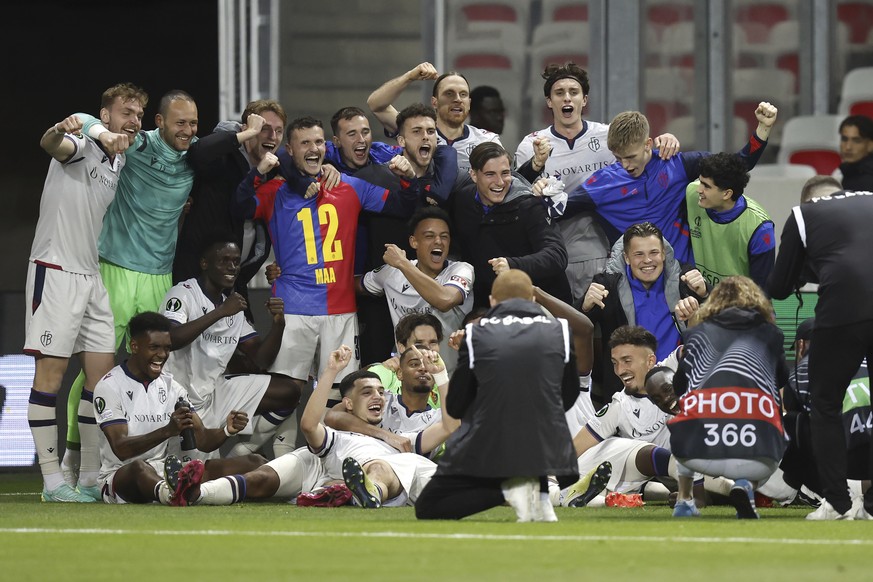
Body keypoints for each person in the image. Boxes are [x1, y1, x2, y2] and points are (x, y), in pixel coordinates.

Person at [63, 90, 205, 482]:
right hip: (114, 268)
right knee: (98, 369)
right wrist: (104, 134)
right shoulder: (136, 145)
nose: (188, 130)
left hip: (160, 276)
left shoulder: (195, 156)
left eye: (193, 123)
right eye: (180, 122)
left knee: (152, 369)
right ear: (159, 122)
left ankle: (153, 459)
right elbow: (82, 116)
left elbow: (226, 138)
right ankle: (74, 461)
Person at [234, 116, 423, 403]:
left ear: (326, 147)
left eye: (318, 142)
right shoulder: (275, 192)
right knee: (286, 394)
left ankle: (325, 449)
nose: (314, 148)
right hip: (293, 309)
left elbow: (401, 207)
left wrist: (409, 180)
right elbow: (239, 207)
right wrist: (258, 173)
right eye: (305, 143)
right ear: (290, 149)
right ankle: (277, 449)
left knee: (339, 396)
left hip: (341, 310)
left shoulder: (350, 186)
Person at [25, 83, 147, 502]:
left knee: (103, 379)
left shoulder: (120, 159)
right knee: (51, 377)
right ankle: (53, 482)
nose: (133, 120)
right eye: (126, 112)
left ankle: (91, 478)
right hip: (55, 270)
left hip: (91, 277)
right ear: (105, 114)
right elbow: (51, 144)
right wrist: (65, 127)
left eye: (138, 115)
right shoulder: (80, 146)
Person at [170, 345, 457, 507]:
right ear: (347, 402)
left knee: (380, 468)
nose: (378, 397)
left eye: (381, 392)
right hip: (319, 463)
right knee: (260, 479)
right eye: (368, 392)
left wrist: (441, 375)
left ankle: (364, 494)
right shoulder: (336, 433)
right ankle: (195, 493)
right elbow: (310, 424)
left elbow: (449, 424)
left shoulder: (398, 440)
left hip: (372, 468)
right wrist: (331, 370)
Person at [415, 270, 579, 522]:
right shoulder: (562, 331)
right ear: (533, 301)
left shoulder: (475, 335)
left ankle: (509, 490)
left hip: (489, 442)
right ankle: (538, 495)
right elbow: (568, 396)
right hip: (548, 446)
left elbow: (457, 405)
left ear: (492, 301)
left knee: (429, 507)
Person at [516, 62, 680, 303]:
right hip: (553, 253)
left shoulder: (607, 137)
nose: (567, 98)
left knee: (604, 328)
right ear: (549, 102)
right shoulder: (530, 145)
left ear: (584, 100)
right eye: (559, 93)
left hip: (605, 251)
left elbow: (644, 156)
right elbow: (518, 199)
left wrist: (667, 139)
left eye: (574, 92)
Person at [536, 102, 778, 265]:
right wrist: (539, 190)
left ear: (648, 144)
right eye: (618, 158)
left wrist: (762, 130)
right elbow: (554, 211)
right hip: (634, 282)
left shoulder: (675, 164)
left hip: (686, 277)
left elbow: (738, 165)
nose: (625, 165)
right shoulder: (602, 184)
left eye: (630, 157)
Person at [768, 180, 873, 520]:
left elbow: (780, 287)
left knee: (825, 403)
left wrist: (810, 267)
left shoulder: (803, 215)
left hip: (843, 310)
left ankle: (838, 505)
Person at [652, 276, 789, 519]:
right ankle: (747, 485)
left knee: (687, 416)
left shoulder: (697, 335)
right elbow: (782, 381)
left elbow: (680, 385)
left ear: (714, 303)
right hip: (757, 458)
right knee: (779, 426)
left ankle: (684, 500)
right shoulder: (772, 335)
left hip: (697, 454)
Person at [93, 312, 265, 504]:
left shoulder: (172, 387)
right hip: (120, 477)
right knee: (138, 468)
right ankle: (176, 495)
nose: (162, 355)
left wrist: (227, 430)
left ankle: (187, 490)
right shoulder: (109, 386)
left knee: (254, 462)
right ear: (134, 346)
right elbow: (121, 449)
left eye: (167, 348)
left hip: (165, 470)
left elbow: (203, 440)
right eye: (154, 347)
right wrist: (167, 431)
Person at [161, 234, 301, 460]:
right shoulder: (184, 292)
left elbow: (261, 360)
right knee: (196, 473)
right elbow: (170, 339)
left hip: (214, 393)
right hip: (176, 399)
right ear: (205, 264)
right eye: (224, 260)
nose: (232, 267)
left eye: (236, 261)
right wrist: (221, 312)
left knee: (289, 391)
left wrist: (278, 325)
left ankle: (245, 449)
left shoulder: (233, 306)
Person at [173, 99, 288, 309]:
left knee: (251, 341)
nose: (272, 136)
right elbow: (196, 154)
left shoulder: (275, 171)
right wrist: (241, 136)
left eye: (279, 131)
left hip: (235, 284)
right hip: (196, 280)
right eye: (264, 129)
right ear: (248, 130)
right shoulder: (224, 157)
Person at [581, 222, 709, 403]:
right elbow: (574, 329)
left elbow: (721, 320)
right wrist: (584, 308)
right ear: (626, 257)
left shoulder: (685, 280)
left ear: (664, 253)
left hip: (681, 389)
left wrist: (705, 294)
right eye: (639, 254)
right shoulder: (607, 286)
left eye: (654, 253)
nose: (648, 261)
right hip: (627, 395)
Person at [446, 141, 572, 307]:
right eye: (490, 174)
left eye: (505, 173)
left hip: (544, 308)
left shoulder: (529, 204)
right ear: (474, 175)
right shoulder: (462, 200)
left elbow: (557, 255)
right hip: (491, 306)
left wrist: (513, 265)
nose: (500, 182)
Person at [359, 206, 474, 373]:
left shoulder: (461, 270)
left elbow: (445, 300)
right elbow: (357, 285)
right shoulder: (391, 273)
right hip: (410, 381)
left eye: (444, 237)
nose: (438, 241)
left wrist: (402, 263)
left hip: (451, 379)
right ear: (414, 242)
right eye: (429, 236)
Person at [779, 317, 870, 506]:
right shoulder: (862, 357)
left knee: (792, 422)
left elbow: (790, 411)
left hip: (845, 457)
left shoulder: (802, 370)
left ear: (802, 344)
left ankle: (833, 496)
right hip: (867, 452)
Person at [367, 62, 501, 171]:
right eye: (449, 93)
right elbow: (376, 105)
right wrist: (409, 77)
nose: (457, 99)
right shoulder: (416, 130)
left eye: (463, 94)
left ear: (469, 103)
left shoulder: (487, 140)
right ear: (434, 102)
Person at [686, 152, 775, 289]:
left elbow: (761, 291)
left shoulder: (759, 227)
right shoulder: (692, 194)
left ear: (727, 194)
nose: (699, 189)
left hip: (740, 304)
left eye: (706, 186)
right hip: (698, 295)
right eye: (700, 181)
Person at [325, 106, 401, 175]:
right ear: (337, 141)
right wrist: (324, 165)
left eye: (365, 132)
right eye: (352, 134)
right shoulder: (326, 154)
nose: (361, 139)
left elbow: (410, 149)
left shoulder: (383, 152)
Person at [837, 114, 873, 192]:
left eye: (857, 141)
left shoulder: (867, 180)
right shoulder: (849, 172)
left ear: (870, 145)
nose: (848, 147)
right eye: (844, 139)